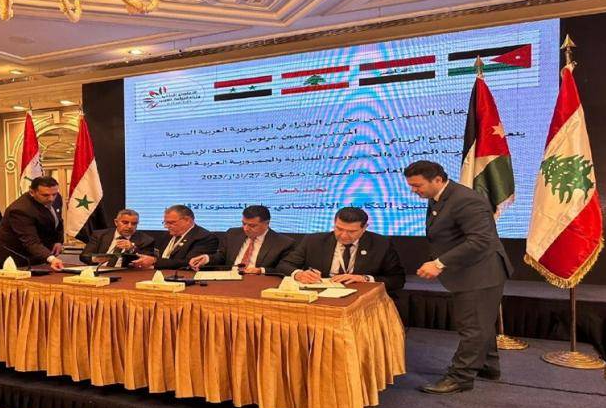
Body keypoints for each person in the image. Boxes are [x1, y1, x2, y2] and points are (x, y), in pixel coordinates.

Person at [404, 160, 513, 395]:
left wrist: (439, 263)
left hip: (481, 273)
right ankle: (488, 366)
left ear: (437, 180)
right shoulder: (439, 197)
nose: (414, 190)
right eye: (411, 186)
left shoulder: (466, 200)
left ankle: (460, 377)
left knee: (472, 327)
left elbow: (480, 240)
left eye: (417, 185)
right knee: (480, 323)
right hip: (468, 271)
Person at [276, 207, 405, 292]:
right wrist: (299, 274)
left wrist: (365, 279)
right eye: (339, 229)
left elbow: (397, 280)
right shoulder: (314, 240)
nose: (343, 235)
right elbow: (284, 265)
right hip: (321, 296)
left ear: (364, 228)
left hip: (361, 297)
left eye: (351, 231)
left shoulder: (381, 244)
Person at [189, 205, 295, 274]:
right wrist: (206, 258)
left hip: (258, 281)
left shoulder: (283, 243)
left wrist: (261, 270)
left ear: (266, 223)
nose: (246, 228)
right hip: (229, 279)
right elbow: (221, 256)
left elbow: (283, 268)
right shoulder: (233, 234)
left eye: (252, 225)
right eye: (244, 223)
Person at [0, 176, 65, 271]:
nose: (51, 199)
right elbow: (30, 241)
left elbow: (57, 221)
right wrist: (51, 259)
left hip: (40, 255)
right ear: (32, 192)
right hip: (16, 259)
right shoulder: (20, 210)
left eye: (54, 194)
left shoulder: (56, 198)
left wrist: (58, 241)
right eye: (45, 195)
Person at [130, 205, 218, 270]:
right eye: (165, 222)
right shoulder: (167, 235)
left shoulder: (205, 237)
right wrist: (134, 251)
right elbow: (154, 254)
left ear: (187, 220)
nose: (166, 226)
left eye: (171, 223)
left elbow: (189, 262)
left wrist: (155, 261)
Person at [79, 208, 155, 267]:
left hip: (126, 274)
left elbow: (145, 262)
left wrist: (132, 249)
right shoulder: (99, 235)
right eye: (125, 222)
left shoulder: (146, 240)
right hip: (99, 270)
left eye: (134, 224)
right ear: (116, 222)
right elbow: (84, 256)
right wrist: (96, 259)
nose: (129, 226)